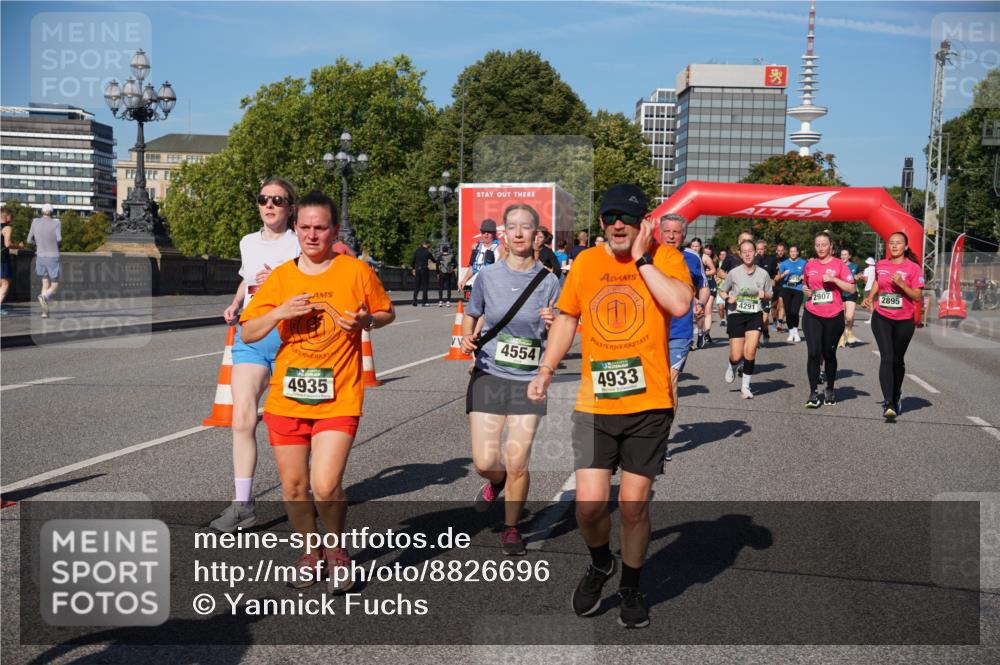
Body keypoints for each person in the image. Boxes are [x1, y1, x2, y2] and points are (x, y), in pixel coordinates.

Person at [527, 183, 694, 629]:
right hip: (596, 404)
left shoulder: (665, 257)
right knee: (589, 506)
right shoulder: (585, 262)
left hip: (649, 404)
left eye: (627, 217)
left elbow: (680, 304)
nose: (618, 224)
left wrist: (642, 260)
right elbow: (567, 317)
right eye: (610, 217)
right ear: (601, 223)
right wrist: (545, 370)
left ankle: (632, 585)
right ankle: (602, 563)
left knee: (635, 506)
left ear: (643, 223)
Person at [239, 190, 395, 591]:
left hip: (338, 397)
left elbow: (386, 311)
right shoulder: (282, 278)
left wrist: (366, 322)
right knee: (293, 487)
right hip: (287, 399)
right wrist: (279, 311)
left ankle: (338, 550)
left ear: (334, 230)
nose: (312, 235)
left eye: (320, 227)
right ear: (296, 228)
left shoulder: (355, 271)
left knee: (325, 485)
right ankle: (311, 552)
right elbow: (248, 330)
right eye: (305, 227)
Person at [460, 203, 561, 555]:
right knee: (485, 462)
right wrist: (467, 339)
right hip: (489, 373)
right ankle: (496, 481)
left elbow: (564, 334)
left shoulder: (550, 281)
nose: (519, 233)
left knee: (518, 460)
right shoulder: (487, 276)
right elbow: (471, 316)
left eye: (526, 228)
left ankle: (511, 527)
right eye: (513, 227)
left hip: (529, 379)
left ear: (537, 236)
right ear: (504, 233)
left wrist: (554, 322)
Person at [211, 178, 302, 533]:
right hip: (250, 335)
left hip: (289, 338)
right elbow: (246, 277)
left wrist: (281, 281)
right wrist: (236, 302)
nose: (270, 205)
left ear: (290, 207)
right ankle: (243, 505)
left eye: (278, 200)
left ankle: (304, 496)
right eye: (264, 198)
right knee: (242, 419)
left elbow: (314, 283)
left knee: (292, 426)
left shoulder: (301, 242)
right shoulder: (248, 242)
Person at [659, 214, 707, 461]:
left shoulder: (692, 258)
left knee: (669, 384)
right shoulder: (649, 256)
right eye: (666, 231)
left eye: (676, 232)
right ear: (660, 232)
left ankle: (661, 440)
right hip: (649, 331)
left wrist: (700, 302)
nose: (671, 235)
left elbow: (704, 286)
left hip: (679, 331)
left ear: (684, 235)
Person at [861, 232, 924, 419]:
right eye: (892, 243)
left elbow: (917, 296)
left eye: (899, 243)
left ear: (905, 247)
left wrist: (902, 284)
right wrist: (870, 297)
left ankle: (896, 395)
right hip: (882, 317)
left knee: (897, 360)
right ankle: (889, 403)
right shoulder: (882, 265)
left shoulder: (914, 268)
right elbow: (878, 283)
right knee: (887, 357)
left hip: (904, 320)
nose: (894, 246)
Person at [802, 231, 855, 408]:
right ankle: (812, 392)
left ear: (831, 246)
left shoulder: (840, 265)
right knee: (814, 353)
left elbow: (852, 289)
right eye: (817, 245)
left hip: (833, 316)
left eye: (824, 244)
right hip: (812, 313)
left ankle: (830, 389)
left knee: (829, 353)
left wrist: (833, 279)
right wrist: (805, 290)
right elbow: (806, 284)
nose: (821, 248)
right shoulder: (810, 265)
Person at [720, 239, 772, 399]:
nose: (748, 254)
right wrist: (728, 297)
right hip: (736, 314)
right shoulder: (734, 273)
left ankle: (745, 387)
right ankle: (732, 365)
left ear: (755, 252)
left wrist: (765, 295)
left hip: (755, 314)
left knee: (750, 351)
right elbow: (722, 291)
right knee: (736, 355)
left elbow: (771, 294)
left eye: (750, 251)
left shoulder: (763, 274)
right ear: (740, 254)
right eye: (744, 251)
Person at [27, 203, 61, 318]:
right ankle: (44, 297)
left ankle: (44, 312)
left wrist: (38, 243)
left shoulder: (35, 222)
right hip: (52, 256)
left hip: (40, 256)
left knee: (45, 282)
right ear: (52, 212)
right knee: (55, 284)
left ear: (42, 211)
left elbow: (29, 240)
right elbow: (59, 238)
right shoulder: (56, 223)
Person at [459, 219, 504, 297]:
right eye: (483, 232)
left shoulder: (500, 247)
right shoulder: (475, 246)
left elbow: (503, 269)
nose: (485, 234)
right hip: (477, 284)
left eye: (489, 232)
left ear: (494, 233)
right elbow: (473, 267)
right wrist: (464, 280)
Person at [777, 244, 807, 343]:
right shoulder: (784, 263)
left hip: (798, 289)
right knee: (788, 312)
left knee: (795, 311)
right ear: (789, 253)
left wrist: (804, 276)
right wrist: (784, 274)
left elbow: (808, 274)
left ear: (797, 252)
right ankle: (791, 332)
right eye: (791, 252)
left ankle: (796, 331)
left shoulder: (803, 262)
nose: (793, 253)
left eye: (795, 251)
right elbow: (778, 277)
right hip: (787, 288)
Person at [691, 239, 717, 347]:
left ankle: (702, 333)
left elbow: (713, 270)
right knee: (692, 313)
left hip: (705, 286)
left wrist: (703, 273)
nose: (695, 248)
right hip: (692, 287)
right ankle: (690, 340)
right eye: (693, 246)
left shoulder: (705, 257)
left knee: (702, 311)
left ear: (700, 247)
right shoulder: (688, 257)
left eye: (697, 246)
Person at [754, 240, 778, 342]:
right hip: (754, 292)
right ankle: (755, 339)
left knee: (764, 319)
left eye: (762, 249)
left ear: (765, 249)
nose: (760, 251)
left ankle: (765, 331)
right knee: (755, 317)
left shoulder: (771, 259)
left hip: (766, 293)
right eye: (758, 249)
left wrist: (774, 280)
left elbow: (776, 274)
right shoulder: (752, 260)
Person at [838, 248, 861, 346]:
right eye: (842, 254)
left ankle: (850, 331)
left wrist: (859, 276)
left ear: (849, 256)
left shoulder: (855, 266)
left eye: (845, 254)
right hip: (839, 293)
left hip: (851, 292)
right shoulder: (837, 265)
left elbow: (860, 275)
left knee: (849, 316)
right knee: (841, 317)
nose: (843, 256)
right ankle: (841, 336)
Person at [412, 239, 433, 307]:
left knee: (416, 286)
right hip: (424, 270)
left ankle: (414, 300)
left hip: (417, 269)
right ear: (426, 244)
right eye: (429, 245)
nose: (429, 246)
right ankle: (424, 302)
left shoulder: (417, 251)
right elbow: (433, 260)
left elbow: (413, 260)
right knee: (425, 286)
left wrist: (413, 269)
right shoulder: (427, 252)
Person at [0, 207, 13, 315]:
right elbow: (7, 244)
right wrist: (20, 246)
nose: (12, 218)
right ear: (6, 216)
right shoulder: (7, 228)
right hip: (2, 258)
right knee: (5, 283)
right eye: (11, 215)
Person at [772, 243, 787, 330]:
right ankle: (774, 320)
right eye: (779, 250)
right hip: (774, 285)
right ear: (776, 251)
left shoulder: (787, 260)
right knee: (773, 306)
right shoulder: (772, 260)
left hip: (784, 285)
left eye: (782, 250)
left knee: (782, 303)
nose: (780, 252)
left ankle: (780, 323)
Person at [715, 249, 728, 326]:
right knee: (720, 307)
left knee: (728, 307)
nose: (723, 256)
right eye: (721, 254)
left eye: (724, 254)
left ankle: (729, 319)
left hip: (729, 289)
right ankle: (723, 320)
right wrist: (716, 279)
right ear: (719, 256)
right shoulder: (717, 265)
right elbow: (715, 274)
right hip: (720, 288)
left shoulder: (730, 263)